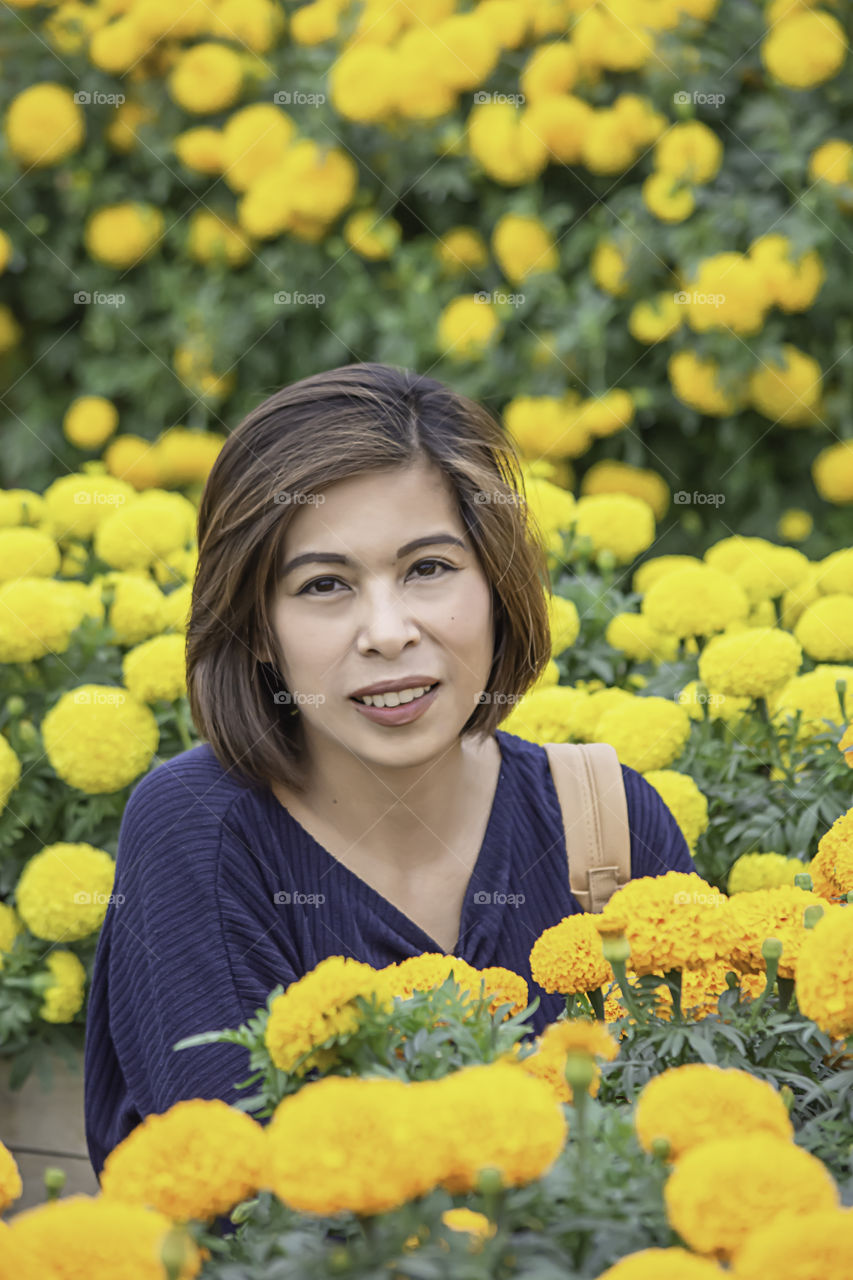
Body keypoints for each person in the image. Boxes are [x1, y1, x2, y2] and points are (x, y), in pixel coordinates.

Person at [84, 362, 695, 1180]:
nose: (386, 630)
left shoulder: (608, 819)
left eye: (428, 569)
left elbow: (702, 1132)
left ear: (495, 583)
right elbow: (244, 1207)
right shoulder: (198, 833)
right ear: (258, 628)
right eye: (325, 584)